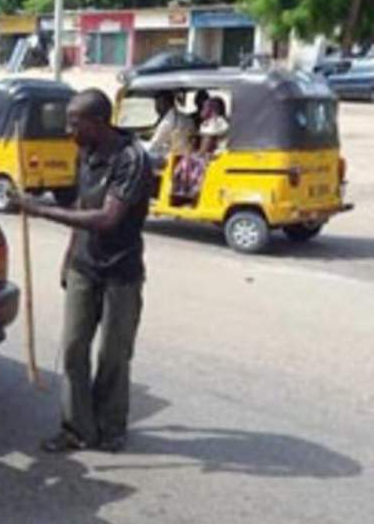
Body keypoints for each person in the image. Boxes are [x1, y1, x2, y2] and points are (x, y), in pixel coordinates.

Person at [18, 89, 150, 454]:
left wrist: (39, 211)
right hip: (84, 267)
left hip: (121, 272)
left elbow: (107, 218)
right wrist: (68, 255)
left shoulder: (132, 159)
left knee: (113, 354)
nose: (68, 129)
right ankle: (77, 428)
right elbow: (81, 206)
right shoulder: (85, 152)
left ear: (97, 123)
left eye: (74, 122)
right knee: (74, 347)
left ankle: (111, 427)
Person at [174, 96, 229, 199]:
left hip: (216, 157)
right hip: (220, 155)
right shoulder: (218, 121)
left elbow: (204, 149)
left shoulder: (214, 123)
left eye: (204, 108)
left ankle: (186, 193)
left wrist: (190, 152)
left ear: (212, 110)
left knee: (186, 161)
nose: (201, 110)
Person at [143, 91, 194, 167]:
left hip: (174, 158)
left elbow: (154, 145)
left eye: (158, 103)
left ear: (165, 103)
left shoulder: (167, 122)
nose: (156, 107)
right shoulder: (186, 118)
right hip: (187, 154)